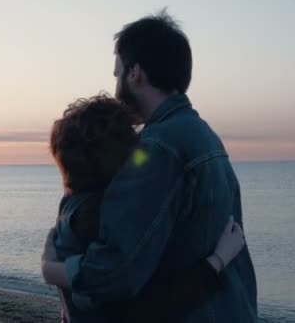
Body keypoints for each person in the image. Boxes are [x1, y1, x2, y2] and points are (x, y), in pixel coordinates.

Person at [41, 10, 257, 322]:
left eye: (117, 74)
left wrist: (50, 270)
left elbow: (114, 274)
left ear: (135, 73)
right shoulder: (205, 137)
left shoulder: (157, 148)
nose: (115, 85)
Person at [43, 95, 245, 322]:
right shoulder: (99, 218)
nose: (139, 147)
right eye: (134, 143)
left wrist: (49, 269)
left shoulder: (70, 208)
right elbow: (151, 307)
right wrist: (217, 260)